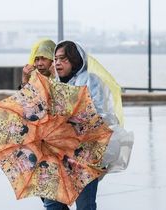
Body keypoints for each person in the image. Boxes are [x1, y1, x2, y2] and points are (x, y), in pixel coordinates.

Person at [42, 40, 117, 210]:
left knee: (84, 204)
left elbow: (96, 113)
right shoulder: (56, 83)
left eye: (63, 59)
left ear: (75, 60)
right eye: (56, 59)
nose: (58, 63)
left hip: (85, 154)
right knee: (52, 203)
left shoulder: (89, 80)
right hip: (58, 153)